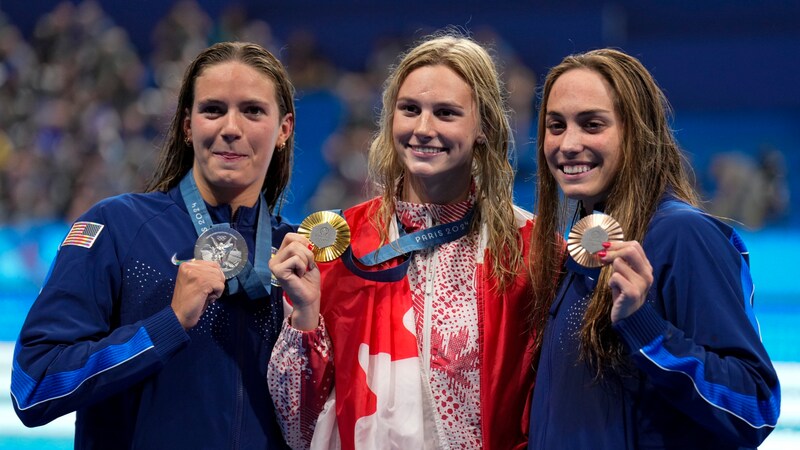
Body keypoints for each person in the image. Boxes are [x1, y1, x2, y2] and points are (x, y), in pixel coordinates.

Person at [11, 41, 296, 449]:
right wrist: (167, 325)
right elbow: (33, 383)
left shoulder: (297, 256)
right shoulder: (117, 227)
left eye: (253, 111)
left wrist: (307, 321)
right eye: (212, 109)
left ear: (283, 129)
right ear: (187, 125)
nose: (231, 127)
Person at [268, 32, 536, 449]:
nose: (423, 129)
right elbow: (296, 425)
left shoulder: (528, 249)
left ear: (483, 126)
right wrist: (303, 318)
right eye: (410, 109)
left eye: (446, 113)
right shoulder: (337, 247)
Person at [526, 48, 781, 449]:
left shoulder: (683, 234)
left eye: (592, 124)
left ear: (637, 131)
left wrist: (646, 327)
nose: (568, 143)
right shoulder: (580, 247)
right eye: (556, 126)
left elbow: (754, 407)